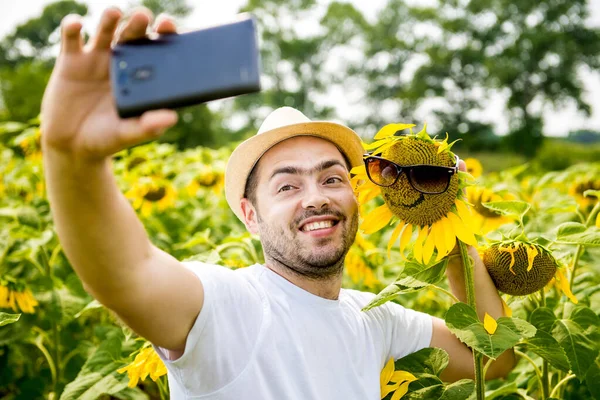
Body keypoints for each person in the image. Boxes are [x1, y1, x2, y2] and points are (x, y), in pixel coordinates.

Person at [41, 7, 516, 400]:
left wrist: (441, 210)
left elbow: (490, 355)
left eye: (332, 178)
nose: (316, 199)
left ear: (357, 195)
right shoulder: (229, 307)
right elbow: (127, 274)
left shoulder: (377, 320)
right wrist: (71, 160)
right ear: (250, 216)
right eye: (287, 186)